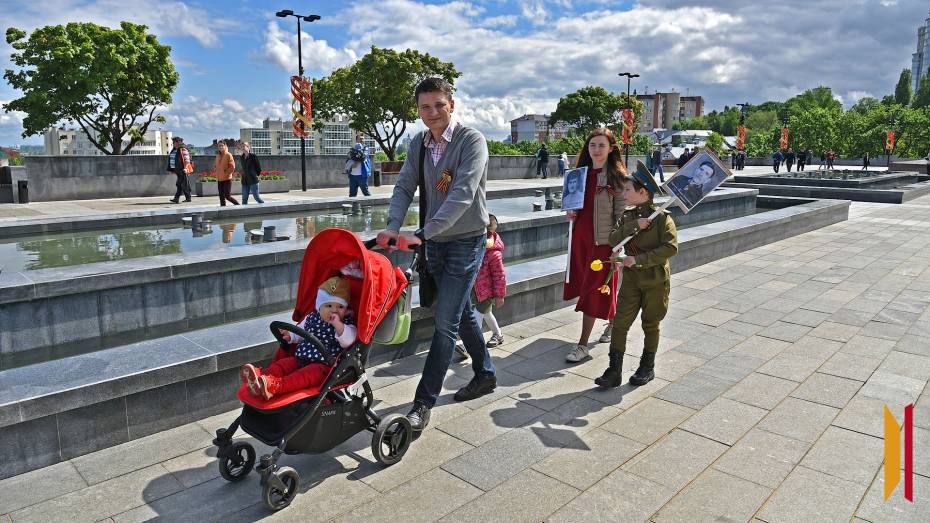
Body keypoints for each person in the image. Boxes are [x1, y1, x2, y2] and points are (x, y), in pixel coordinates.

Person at [376, 77, 496, 431]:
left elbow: (461, 194)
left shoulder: (471, 141)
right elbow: (404, 186)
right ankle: (486, 373)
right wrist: (393, 226)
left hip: (466, 240)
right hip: (436, 243)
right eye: (424, 107)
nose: (432, 113)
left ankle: (422, 404)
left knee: (445, 322)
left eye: (438, 105)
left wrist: (424, 232)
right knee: (461, 311)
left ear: (451, 105)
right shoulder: (419, 144)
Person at [595, 163, 678, 388]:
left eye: (629, 190)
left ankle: (647, 367)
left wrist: (638, 260)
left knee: (650, 324)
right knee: (620, 323)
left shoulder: (663, 219)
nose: (624, 193)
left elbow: (670, 248)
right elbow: (613, 240)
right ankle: (614, 370)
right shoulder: (628, 217)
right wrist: (634, 225)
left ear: (643, 192)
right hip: (631, 281)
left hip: (655, 281)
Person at [563, 128, 626, 363]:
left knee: (593, 289)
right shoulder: (579, 175)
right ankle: (614, 321)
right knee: (595, 286)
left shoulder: (617, 176)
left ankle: (582, 346)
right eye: (592, 145)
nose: (596, 150)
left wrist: (618, 243)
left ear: (611, 149)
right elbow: (574, 205)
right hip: (580, 238)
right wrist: (571, 213)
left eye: (601, 145)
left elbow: (621, 213)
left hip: (603, 243)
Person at [240, 277, 357, 399]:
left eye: (340, 307)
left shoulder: (346, 324)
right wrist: (290, 335)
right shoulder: (312, 318)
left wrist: (338, 325)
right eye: (329, 305)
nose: (334, 310)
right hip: (301, 358)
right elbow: (301, 332)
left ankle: (275, 386)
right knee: (281, 365)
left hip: (323, 367)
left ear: (346, 309)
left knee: (301, 377)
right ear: (319, 307)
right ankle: (260, 380)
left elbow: (348, 341)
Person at [473, 214, 506, 348]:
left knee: (477, 315)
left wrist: (500, 295)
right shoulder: (477, 248)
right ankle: (498, 334)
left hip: (487, 292)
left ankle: (470, 344)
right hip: (477, 289)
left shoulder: (494, 253)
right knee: (486, 313)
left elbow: (500, 276)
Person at [167, 136, 193, 203]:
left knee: (180, 184)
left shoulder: (183, 149)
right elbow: (171, 159)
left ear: (179, 142)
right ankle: (188, 198)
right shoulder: (174, 149)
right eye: (173, 142)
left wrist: (186, 168)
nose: (174, 143)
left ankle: (177, 198)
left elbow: (187, 160)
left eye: (175, 142)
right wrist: (171, 169)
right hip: (178, 170)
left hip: (183, 170)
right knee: (183, 184)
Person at [214, 142, 239, 206]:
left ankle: (238, 205)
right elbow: (215, 166)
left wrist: (226, 173)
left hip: (227, 179)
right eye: (219, 146)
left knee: (227, 196)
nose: (221, 147)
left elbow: (232, 166)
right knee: (221, 197)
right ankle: (223, 210)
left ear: (225, 146)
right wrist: (216, 172)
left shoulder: (228, 155)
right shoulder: (218, 156)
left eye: (222, 145)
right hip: (220, 179)